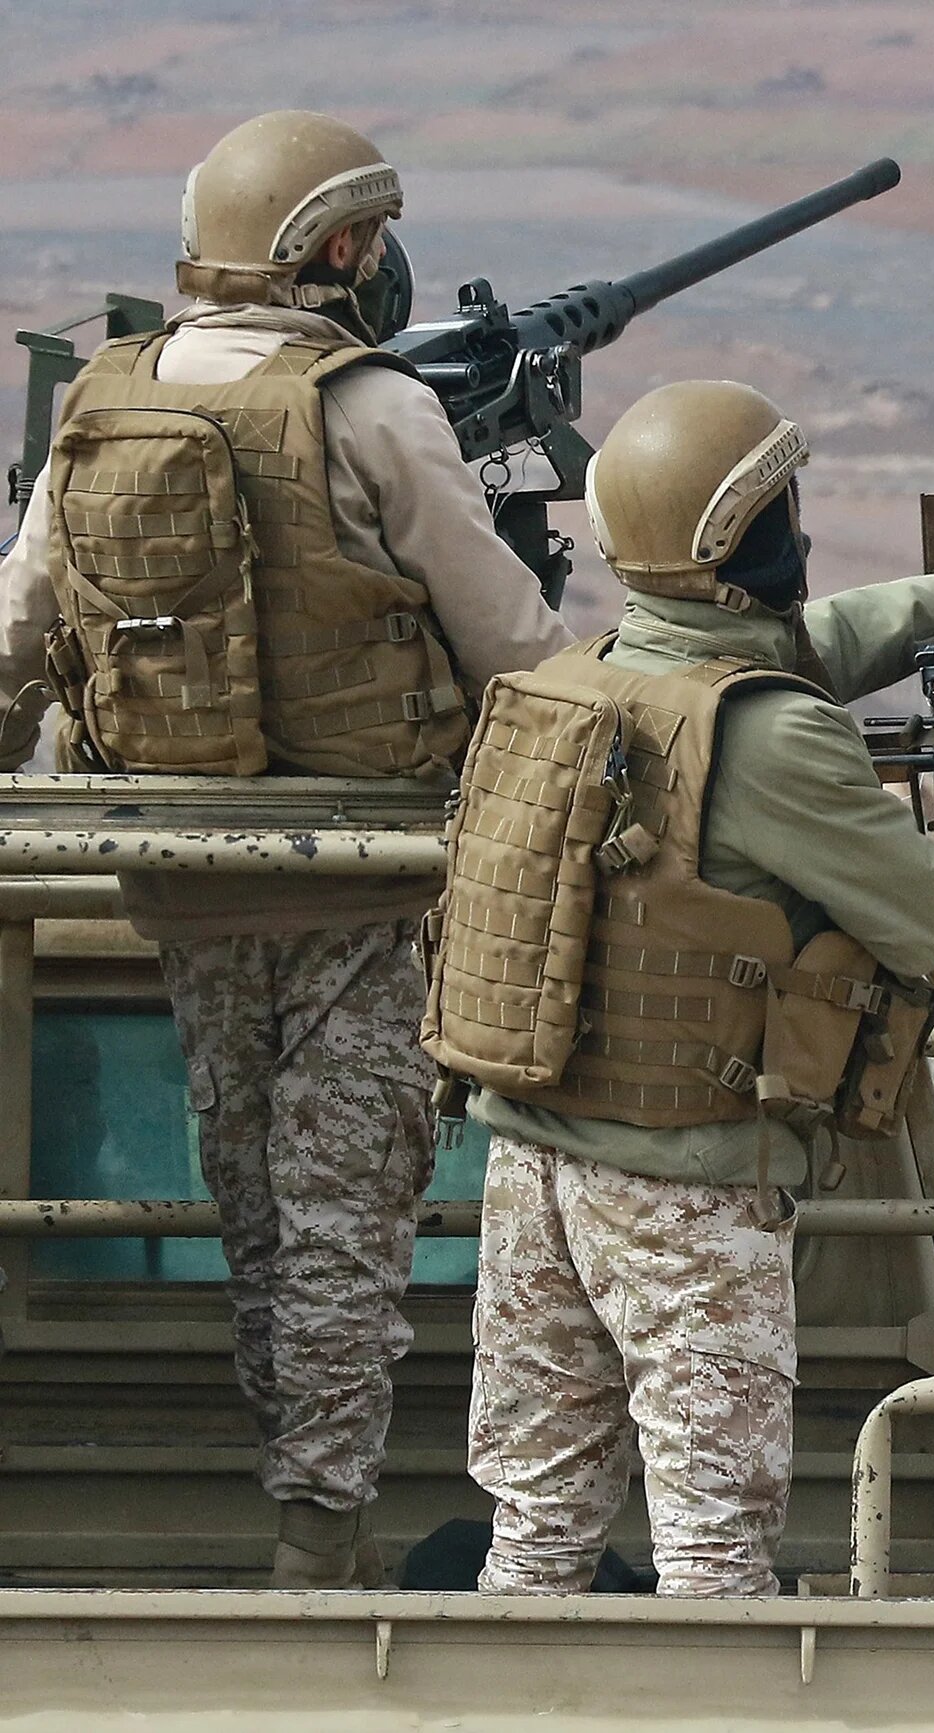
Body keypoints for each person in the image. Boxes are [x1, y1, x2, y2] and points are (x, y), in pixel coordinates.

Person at [0, 111, 573, 1587]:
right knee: (341, 1219)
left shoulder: (99, 406)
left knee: (254, 1206)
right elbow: (514, 642)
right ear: (334, 248)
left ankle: (300, 1500)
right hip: (362, 884)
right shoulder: (374, 408)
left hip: (189, 881)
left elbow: (18, 632)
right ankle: (317, 1539)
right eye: (369, 240)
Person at [444, 378, 934, 1597]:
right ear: (742, 548)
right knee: (713, 1547)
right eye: (782, 521)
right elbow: (930, 918)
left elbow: (779, 653)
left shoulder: (584, 679)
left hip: (531, 1167)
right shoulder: (771, 740)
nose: (800, 543)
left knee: (538, 1528)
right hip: (681, 1191)